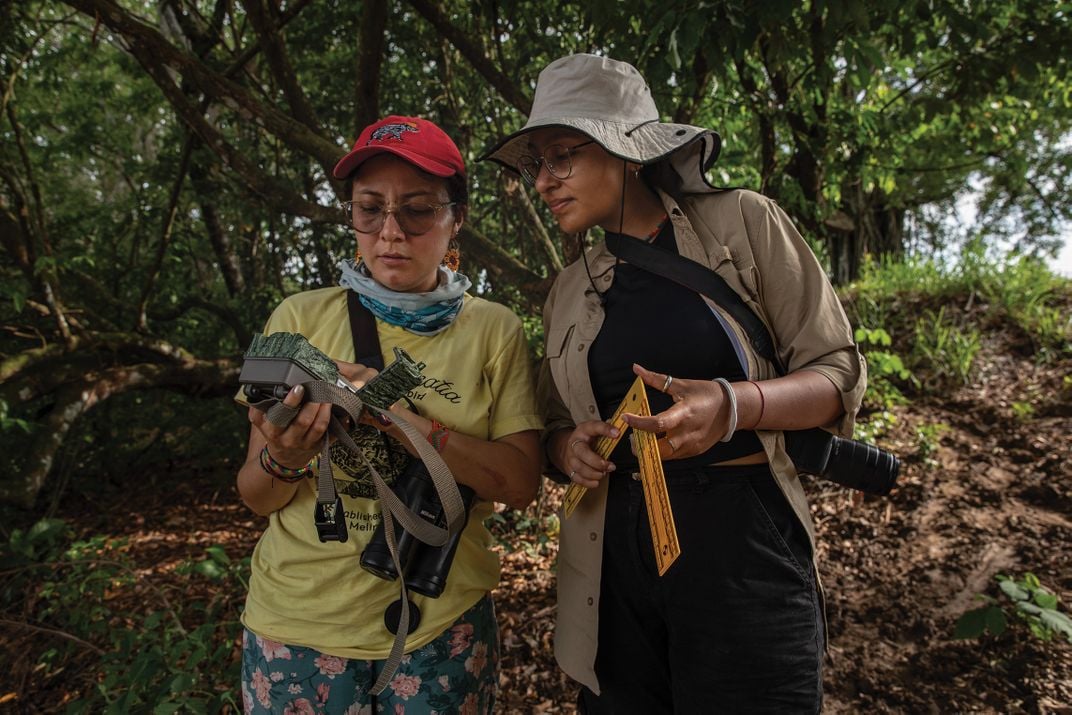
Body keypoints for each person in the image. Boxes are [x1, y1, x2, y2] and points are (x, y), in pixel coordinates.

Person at [482, 55, 866, 713]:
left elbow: (838, 375)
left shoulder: (744, 224)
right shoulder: (571, 289)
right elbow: (551, 425)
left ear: (627, 152)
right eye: (533, 164)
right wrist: (564, 449)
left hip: (741, 537)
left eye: (561, 157)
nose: (543, 181)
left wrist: (734, 405)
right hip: (613, 559)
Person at [237, 115, 543, 713]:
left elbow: (522, 482)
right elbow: (256, 494)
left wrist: (396, 416)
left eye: (418, 209)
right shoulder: (298, 317)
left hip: (440, 624)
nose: (390, 232)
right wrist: (287, 454)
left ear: (456, 219)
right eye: (369, 209)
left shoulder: (493, 330)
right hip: (299, 626)